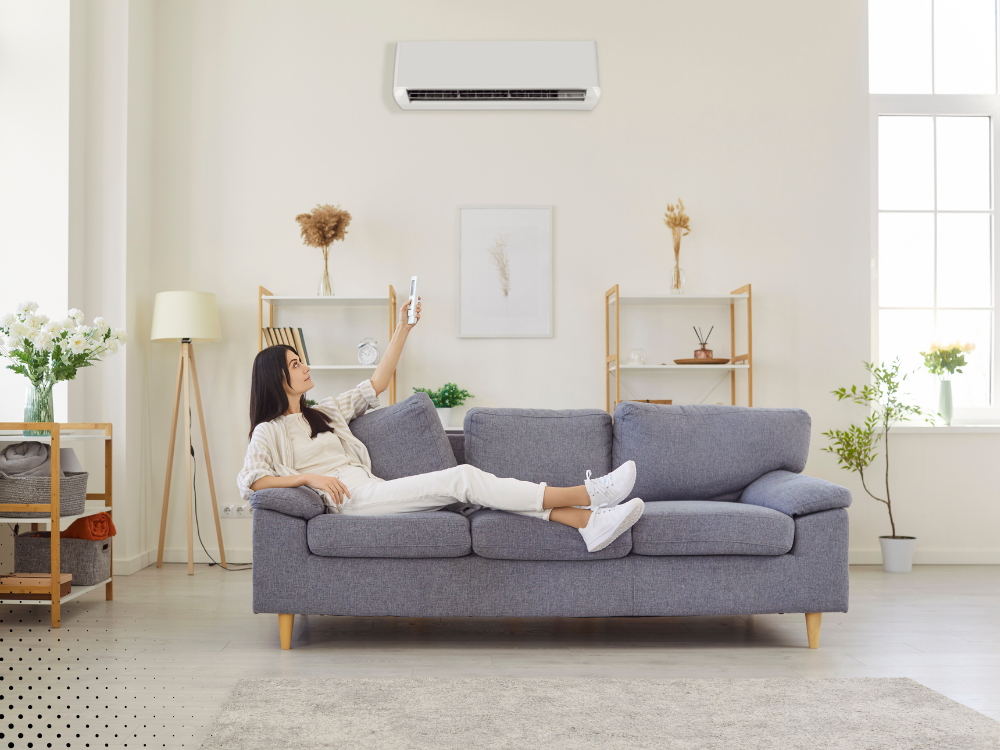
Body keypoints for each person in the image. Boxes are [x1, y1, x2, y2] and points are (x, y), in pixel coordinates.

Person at [237, 296, 644, 553]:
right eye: (295, 364)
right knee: (464, 476)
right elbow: (251, 480)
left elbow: (376, 383)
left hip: (374, 492)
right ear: (277, 378)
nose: (305, 366)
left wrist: (403, 328)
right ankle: (591, 493)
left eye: (301, 360)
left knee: (483, 493)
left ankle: (589, 521)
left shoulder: (324, 411)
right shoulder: (268, 431)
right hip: (351, 503)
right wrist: (310, 479)